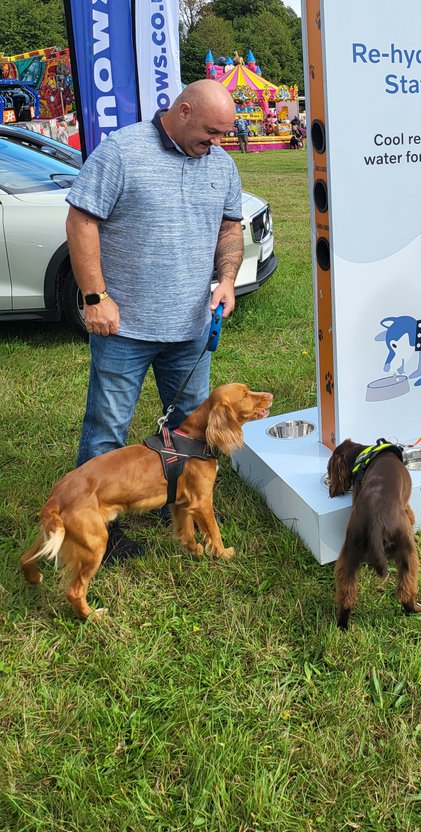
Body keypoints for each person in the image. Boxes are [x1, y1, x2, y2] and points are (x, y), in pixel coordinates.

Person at [65, 80, 244, 561]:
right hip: (123, 328)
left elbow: (230, 225)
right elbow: (82, 221)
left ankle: (189, 504)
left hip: (190, 329)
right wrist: (95, 295)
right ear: (182, 111)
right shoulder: (121, 152)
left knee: (193, 432)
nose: (218, 144)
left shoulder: (221, 164)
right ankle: (97, 516)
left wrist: (226, 279)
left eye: (225, 135)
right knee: (107, 427)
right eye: (211, 132)